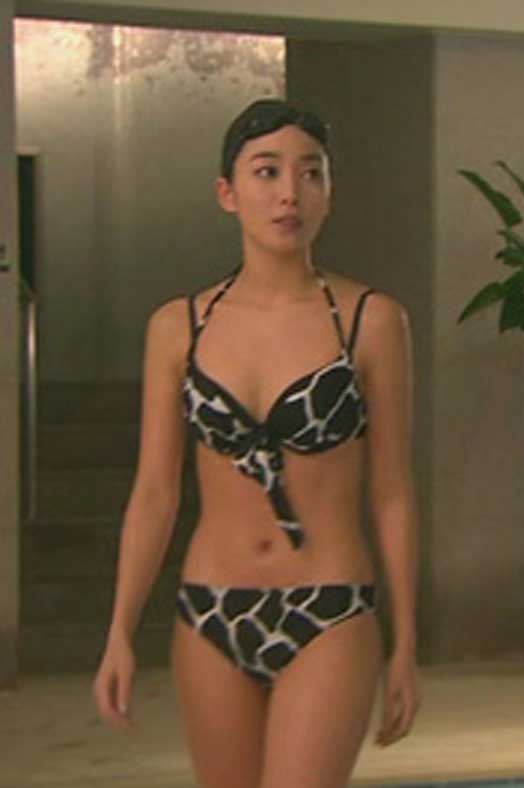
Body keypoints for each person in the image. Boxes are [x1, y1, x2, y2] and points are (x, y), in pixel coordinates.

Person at [93, 98, 420, 788]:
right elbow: (155, 492)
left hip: (329, 607)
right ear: (227, 192)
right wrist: (120, 629)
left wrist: (406, 641)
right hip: (210, 609)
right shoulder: (178, 327)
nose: (288, 193)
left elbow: (391, 492)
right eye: (267, 172)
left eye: (310, 173)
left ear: (329, 191)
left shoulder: (372, 321)